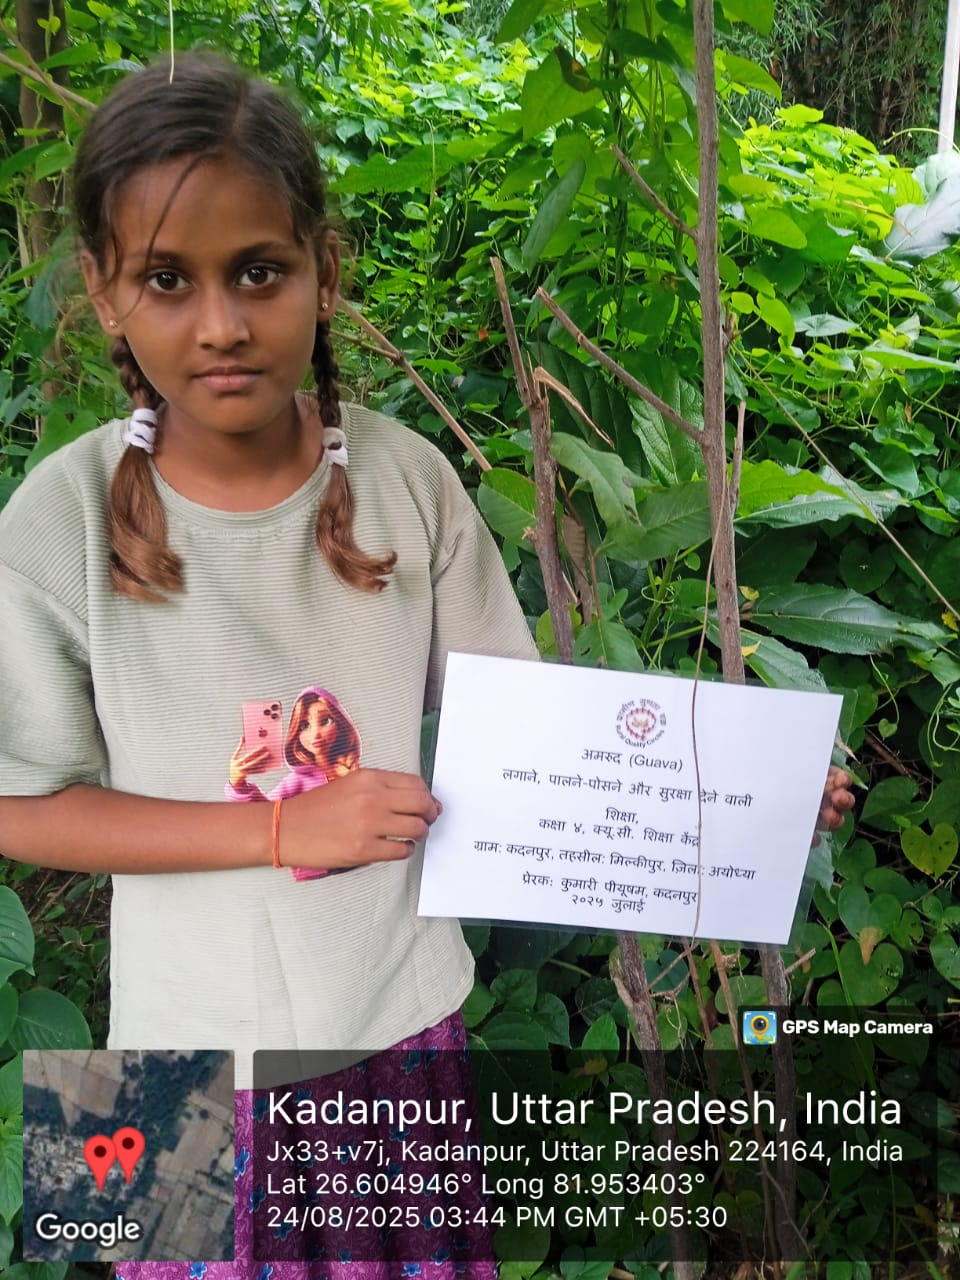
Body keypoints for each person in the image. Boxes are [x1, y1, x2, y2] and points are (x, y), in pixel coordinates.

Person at [0, 48, 855, 1280]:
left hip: (398, 1019)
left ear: (325, 271)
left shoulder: (407, 478)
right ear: (102, 287)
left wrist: (745, 793)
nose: (223, 322)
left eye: (260, 271)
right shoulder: (58, 514)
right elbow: (24, 809)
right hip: (166, 1050)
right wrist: (283, 832)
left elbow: (534, 736)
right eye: (167, 280)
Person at [227, 687, 362, 881]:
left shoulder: (351, 771)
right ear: (296, 733)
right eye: (305, 725)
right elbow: (263, 814)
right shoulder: (298, 781)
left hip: (358, 859)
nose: (315, 734)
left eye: (325, 721)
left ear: (341, 725)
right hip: (317, 869)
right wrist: (238, 784)